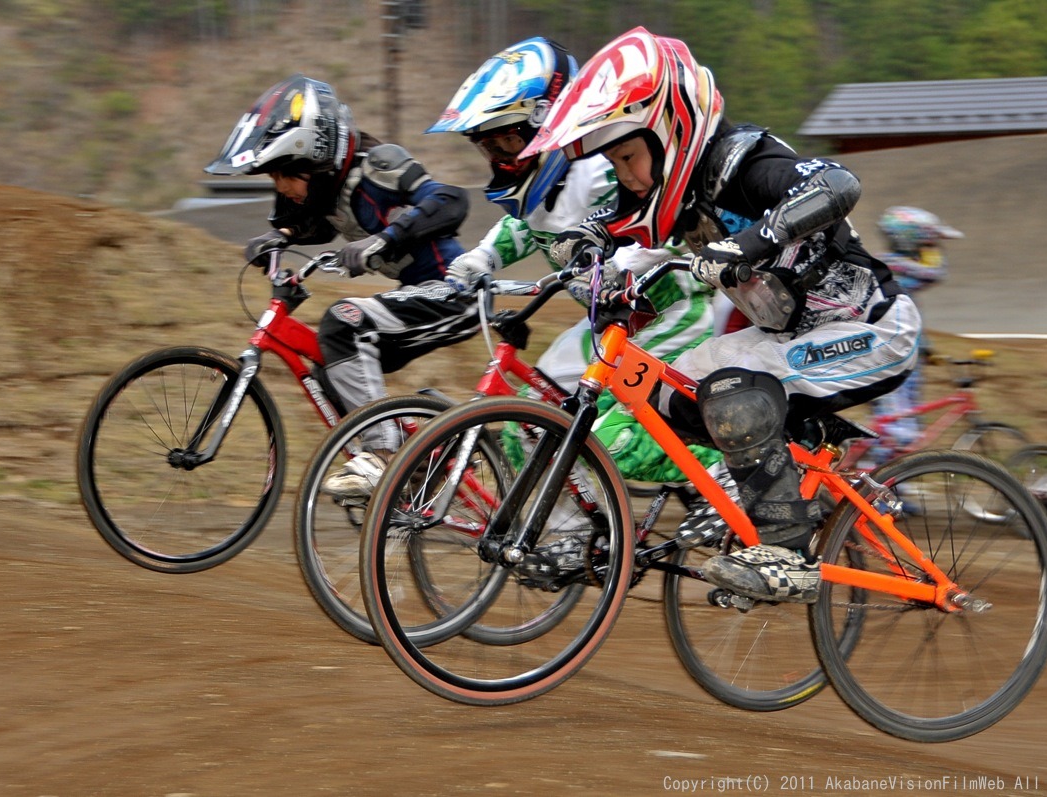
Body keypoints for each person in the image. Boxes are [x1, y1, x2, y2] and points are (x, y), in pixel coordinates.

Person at [521, 28, 921, 601]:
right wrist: (581, 245)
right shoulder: (673, 191)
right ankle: (762, 499)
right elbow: (619, 218)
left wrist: (750, 244)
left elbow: (838, 181)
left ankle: (787, 554)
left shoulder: (745, 163)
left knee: (733, 391)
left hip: (873, 329)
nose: (629, 175)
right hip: (789, 338)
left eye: (630, 156)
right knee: (670, 394)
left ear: (670, 130)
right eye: (615, 162)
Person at [425, 38, 722, 503]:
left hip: (672, 315)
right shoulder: (549, 188)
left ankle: (728, 467)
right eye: (490, 147)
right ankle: (568, 541)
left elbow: (662, 219)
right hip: (607, 327)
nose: (501, 158)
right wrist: (481, 259)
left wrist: (624, 262)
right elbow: (530, 224)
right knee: (528, 420)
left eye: (508, 141)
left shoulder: (605, 170)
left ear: (548, 123)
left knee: (604, 440)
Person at [204, 74, 473, 496]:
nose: (281, 188)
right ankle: (434, 442)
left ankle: (384, 455)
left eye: (284, 175)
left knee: (343, 322)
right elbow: (308, 225)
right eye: (273, 178)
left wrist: (384, 239)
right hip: (415, 294)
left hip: (456, 290)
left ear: (315, 160)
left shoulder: (379, 166)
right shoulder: (322, 191)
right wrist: (281, 240)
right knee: (331, 367)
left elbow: (452, 200)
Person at [867, 206, 963, 460]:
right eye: (925, 243)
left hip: (904, 356)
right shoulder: (893, 266)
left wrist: (925, 346)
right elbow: (935, 273)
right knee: (898, 432)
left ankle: (891, 486)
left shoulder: (890, 265)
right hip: (892, 358)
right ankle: (881, 489)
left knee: (903, 426)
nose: (928, 249)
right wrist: (933, 247)